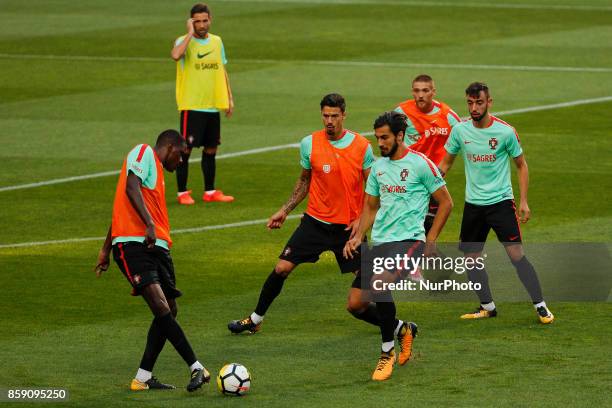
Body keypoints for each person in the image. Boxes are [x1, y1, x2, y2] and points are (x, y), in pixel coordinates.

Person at [227, 94, 416, 367]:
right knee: (281, 268)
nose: (329, 121)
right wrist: (285, 209)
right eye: (325, 116)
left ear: (344, 116)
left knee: (364, 296)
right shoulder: (309, 144)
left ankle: (399, 328)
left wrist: (360, 222)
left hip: (347, 230)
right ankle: (255, 320)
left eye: (334, 116)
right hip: (314, 224)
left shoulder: (361, 147)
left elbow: (372, 190)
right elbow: (304, 181)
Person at [94, 130, 210, 392]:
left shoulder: (158, 174)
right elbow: (130, 187)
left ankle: (143, 377)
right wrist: (147, 224)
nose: (181, 162)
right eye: (181, 156)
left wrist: (104, 249)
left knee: (170, 308)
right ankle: (196, 367)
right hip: (134, 245)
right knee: (160, 306)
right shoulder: (144, 152)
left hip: (157, 247)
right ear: (169, 147)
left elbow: (121, 207)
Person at [344, 111, 453, 381]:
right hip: (381, 241)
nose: (379, 143)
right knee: (356, 305)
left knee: (380, 284)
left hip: (409, 241)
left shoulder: (420, 165)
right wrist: (358, 236)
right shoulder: (379, 167)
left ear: (400, 136)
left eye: (385, 137)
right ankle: (403, 329)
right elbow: (370, 206)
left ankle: (386, 353)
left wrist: (431, 240)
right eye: (377, 137)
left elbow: (446, 202)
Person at [438, 82, 554, 324]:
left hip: (501, 203)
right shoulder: (460, 131)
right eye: (470, 103)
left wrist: (523, 200)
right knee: (471, 258)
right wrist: (431, 185)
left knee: (516, 255)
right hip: (473, 205)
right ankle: (487, 306)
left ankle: (540, 305)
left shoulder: (505, 132)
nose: (474, 107)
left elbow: (521, 165)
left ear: (489, 102)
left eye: (479, 102)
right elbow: (446, 163)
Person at [171, 3, 234, 205]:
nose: (201, 25)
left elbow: (222, 70)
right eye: (196, 21)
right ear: (191, 22)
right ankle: (182, 193)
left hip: (212, 104)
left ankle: (210, 191)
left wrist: (229, 98)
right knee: (186, 150)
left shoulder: (217, 41)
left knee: (211, 148)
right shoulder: (184, 41)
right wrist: (189, 33)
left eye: (204, 20)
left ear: (210, 20)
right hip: (192, 105)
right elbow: (175, 55)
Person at [394, 74, 461, 234]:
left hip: (433, 178)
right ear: (412, 92)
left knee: (425, 226)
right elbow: (390, 140)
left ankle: (423, 253)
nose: (421, 95)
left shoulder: (448, 116)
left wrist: (444, 166)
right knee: (406, 224)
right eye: (417, 91)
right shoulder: (401, 112)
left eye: (425, 90)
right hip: (408, 177)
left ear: (433, 92)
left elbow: (462, 138)